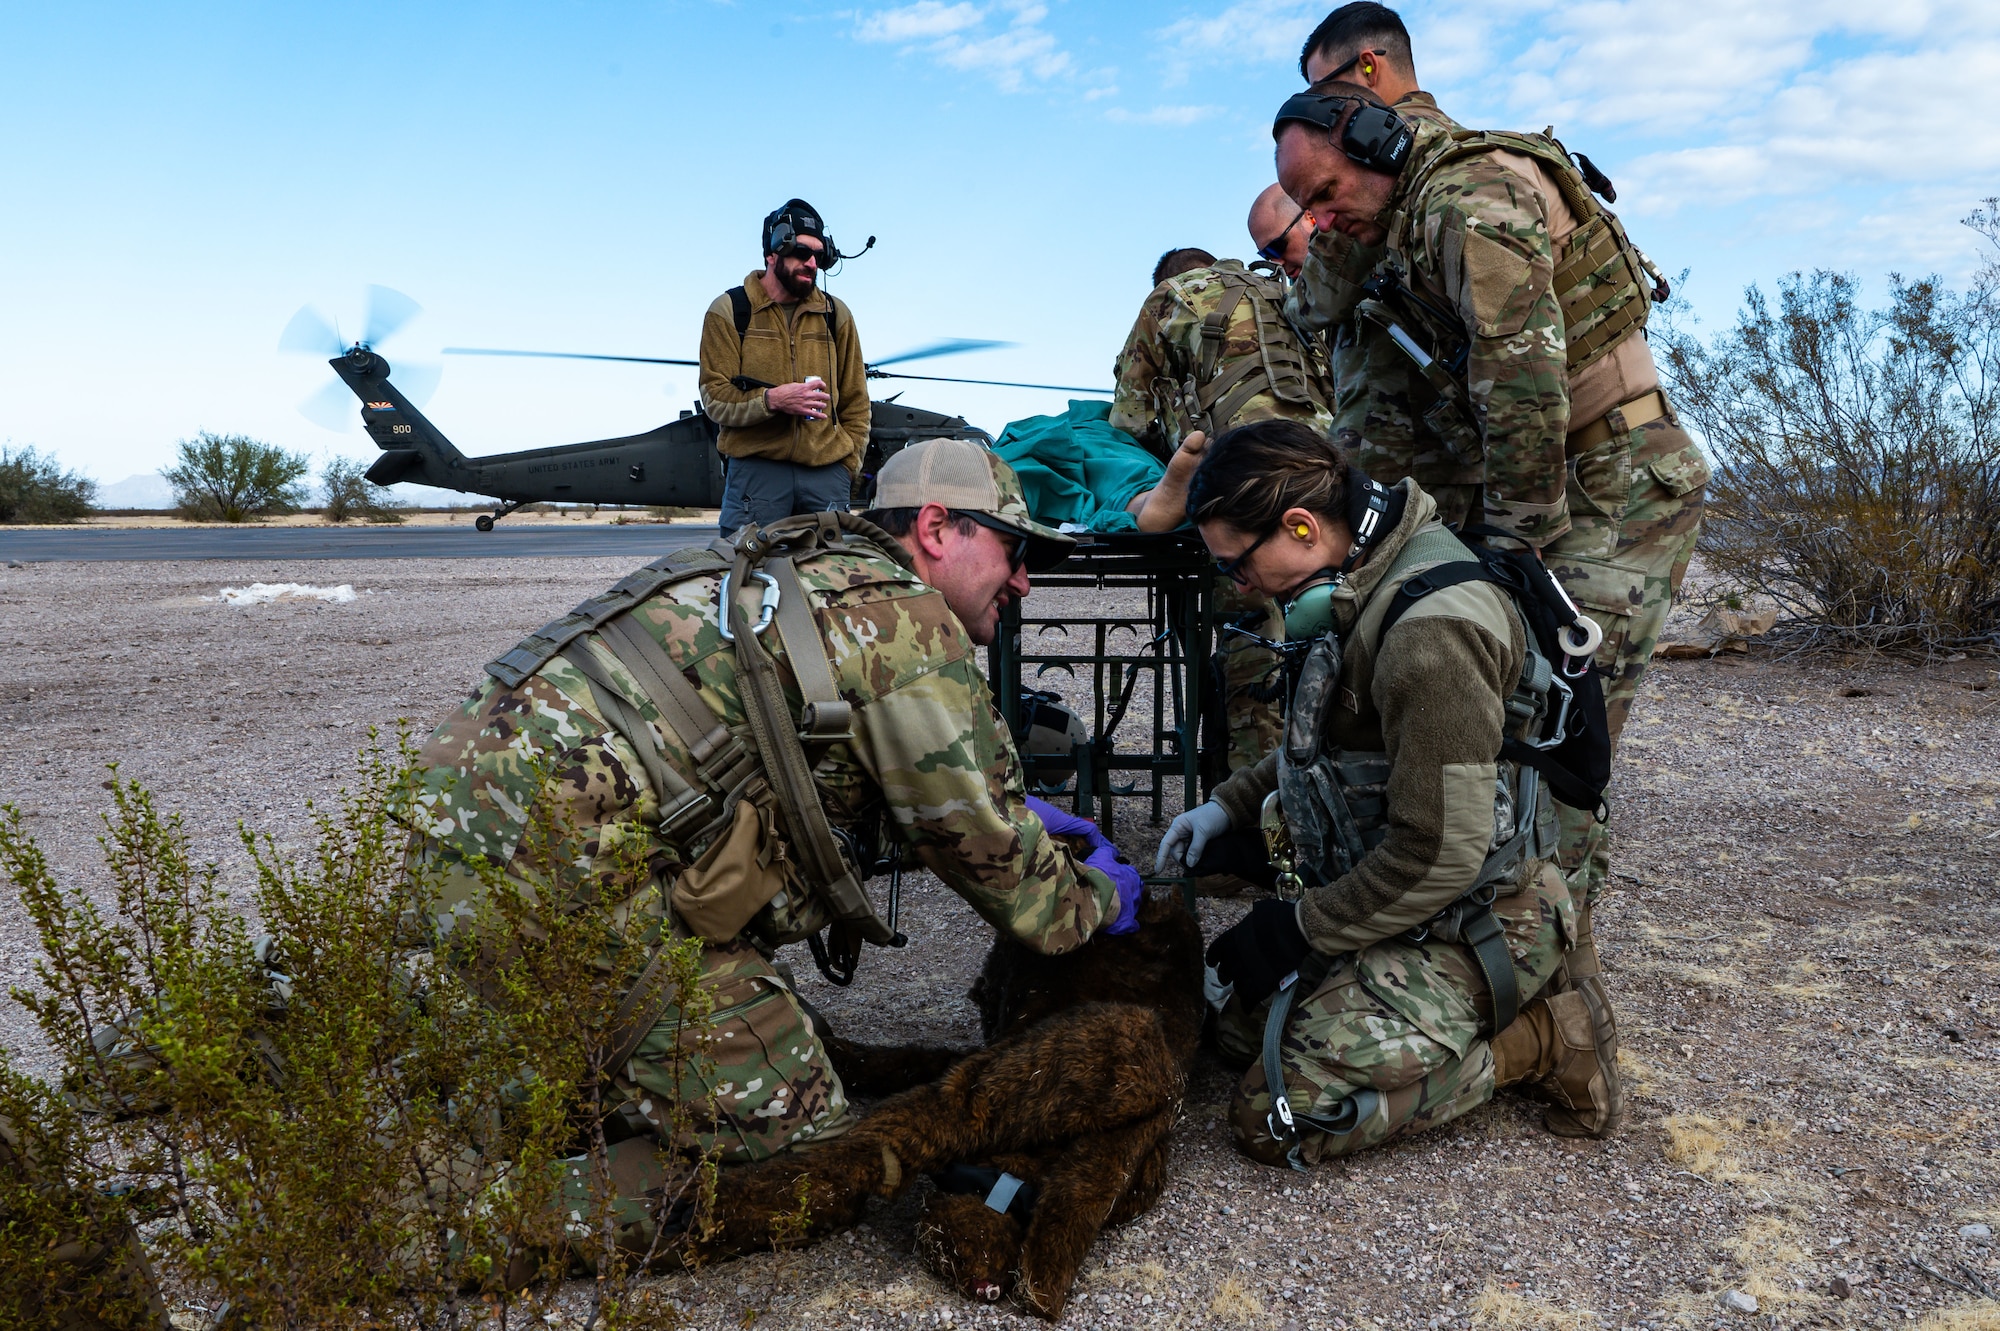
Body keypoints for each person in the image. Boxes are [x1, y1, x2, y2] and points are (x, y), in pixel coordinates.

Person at [411, 438, 1144, 1233]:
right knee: (808, 1156)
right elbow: (1028, 897)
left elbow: (896, 786)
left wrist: (1012, 815)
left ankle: (500, 1045)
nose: (1026, 580)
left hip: (469, 831)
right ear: (938, 528)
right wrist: (1102, 893)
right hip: (551, 871)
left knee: (755, 1051)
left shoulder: (806, 573)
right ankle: (432, 1220)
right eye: (1017, 549)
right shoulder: (905, 623)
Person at [1271, 78, 1708, 1053]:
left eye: (1326, 189)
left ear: (1380, 138)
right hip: (1546, 485)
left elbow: (1518, 389)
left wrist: (1514, 558)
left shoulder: (1472, 199)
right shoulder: (1391, 211)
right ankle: (1518, 980)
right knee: (1512, 738)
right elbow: (1321, 303)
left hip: (1604, 484)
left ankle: (1554, 1009)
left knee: (1556, 743)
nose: (1318, 217)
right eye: (1303, 206)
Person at [1156, 420, 1617, 1167]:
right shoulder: (1362, 574)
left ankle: (1542, 1039)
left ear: (1302, 527)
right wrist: (1227, 808)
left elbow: (1440, 851)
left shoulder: (1428, 634)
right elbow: (1328, 742)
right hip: (1411, 897)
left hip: (1481, 915)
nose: (1236, 587)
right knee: (1231, 1031)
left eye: (1238, 566)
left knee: (1274, 1113)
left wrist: (1300, 927)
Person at [1108, 241, 1337, 778]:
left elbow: (1129, 417)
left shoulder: (1169, 299)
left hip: (1242, 489)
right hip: (1327, 478)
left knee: (1253, 645)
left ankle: (1255, 819)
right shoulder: (1284, 292)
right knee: (1336, 632)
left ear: (1164, 280)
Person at [1286, 5, 1470, 495]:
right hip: (1466, 443)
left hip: (1397, 446)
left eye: (1323, 86)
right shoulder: (1461, 151)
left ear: (1368, 67)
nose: (1319, 105)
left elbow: (1315, 302)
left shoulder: (1368, 167)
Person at [698, 199, 871, 536]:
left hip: (826, 473)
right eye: (801, 253)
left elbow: (856, 401)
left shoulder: (836, 315)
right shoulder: (730, 311)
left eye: (818, 256)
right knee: (747, 580)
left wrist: (847, 466)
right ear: (772, 254)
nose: (811, 264)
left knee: (834, 582)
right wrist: (772, 401)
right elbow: (715, 397)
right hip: (756, 474)